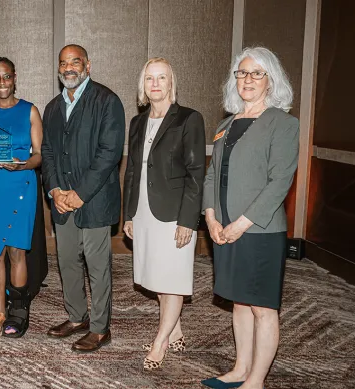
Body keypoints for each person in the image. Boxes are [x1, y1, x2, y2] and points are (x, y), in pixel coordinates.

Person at [201, 47, 299, 389]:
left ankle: (256, 381)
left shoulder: (283, 123)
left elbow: (279, 182)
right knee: (239, 302)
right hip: (223, 226)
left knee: (262, 307)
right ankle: (241, 369)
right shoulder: (226, 124)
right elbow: (212, 176)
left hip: (260, 230)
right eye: (242, 73)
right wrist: (211, 219)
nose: (248, 80)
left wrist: (240, 224)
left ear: (271, 81)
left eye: (257, 73)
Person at [122, 57, 206, 369]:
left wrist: (188, 220)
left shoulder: (188, 119)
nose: (155, 84)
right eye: (149, 79)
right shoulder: (137, 122)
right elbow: (131, 171)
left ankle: (160, 341)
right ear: (142, 86)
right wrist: (129, 214)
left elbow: (197, 173)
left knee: (172, 280)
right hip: (144, 210)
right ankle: (176, 330)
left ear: (172, 83)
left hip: (173, 213)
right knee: (157, 278)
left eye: (161, 78)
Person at [41, 44, 125, 352]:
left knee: (97, 264)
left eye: (75, 61)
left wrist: (80, 194)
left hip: (95, 201)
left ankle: (101, 328)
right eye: (63, 63)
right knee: (67, 261)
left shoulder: (107, 101)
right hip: (62, 201)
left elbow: (109, 154)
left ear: (87, 66)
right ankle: (77, 317)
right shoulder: (52, 108)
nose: (68, 67)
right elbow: (48, 153)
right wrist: (55, 191)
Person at [0, 57, 44, 338]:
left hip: (21, 184)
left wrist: (23, 164)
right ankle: (0, 311)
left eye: (7, 77)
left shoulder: (30, 111)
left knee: (17, 251)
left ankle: (19, 310)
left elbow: (39, 155)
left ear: (15, 78)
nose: (2, 83)